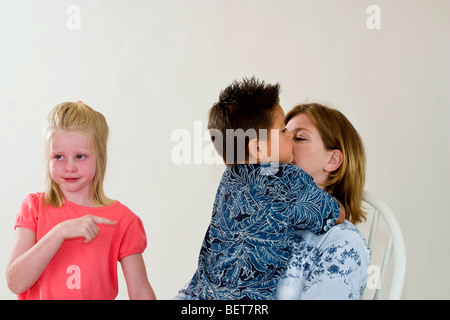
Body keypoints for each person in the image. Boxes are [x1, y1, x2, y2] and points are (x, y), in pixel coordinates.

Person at [177, 78, 344, 300]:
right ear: (258, 148)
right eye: (284, 130)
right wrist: (342, 207)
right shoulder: (288, 178)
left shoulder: (229, 177)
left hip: (199, 294)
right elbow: (334, 214)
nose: (289, 138)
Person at [6, 101, 156, 300]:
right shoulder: (34, 208)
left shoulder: (122, 220)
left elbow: (140, 292)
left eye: (80, 156)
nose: (69, 166)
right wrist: (60, 232)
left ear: (100, 157)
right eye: (58, 157)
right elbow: (15, 282)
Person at [276, 103, 371, 300]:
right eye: (283, 134)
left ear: (332, 161)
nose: (283, 145)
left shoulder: (343, 241)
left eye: (300, 137)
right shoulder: (262, 217)